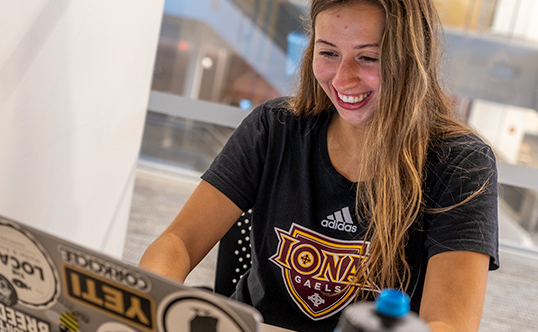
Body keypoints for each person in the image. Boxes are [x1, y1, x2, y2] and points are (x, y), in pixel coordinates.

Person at [139, 0, 499, 331]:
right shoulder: (274, 128)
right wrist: (150, 306)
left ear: (410, 59)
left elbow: (449, 324)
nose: (342, 79)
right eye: (328, 52)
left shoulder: (461, 164)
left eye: (368, 58)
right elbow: (178, 243)